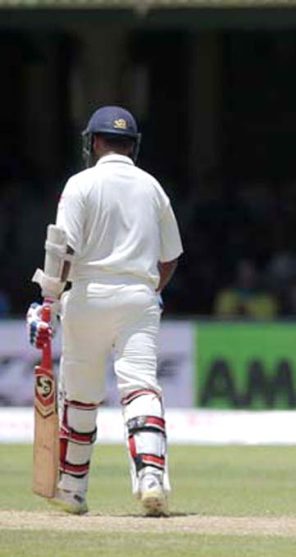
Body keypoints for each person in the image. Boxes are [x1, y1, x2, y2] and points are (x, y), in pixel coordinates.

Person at [26, 106, 182, 516]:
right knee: (141, 386)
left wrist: (48, 302)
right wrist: (150, 291)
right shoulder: (152, 187)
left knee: (79, 397)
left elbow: (62, 248)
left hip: (87, 297)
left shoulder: (81, 184)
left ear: (94, 142)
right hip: (139, 298)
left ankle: (74, 489)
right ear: (132, 145)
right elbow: (169, 259)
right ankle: (150, 478)